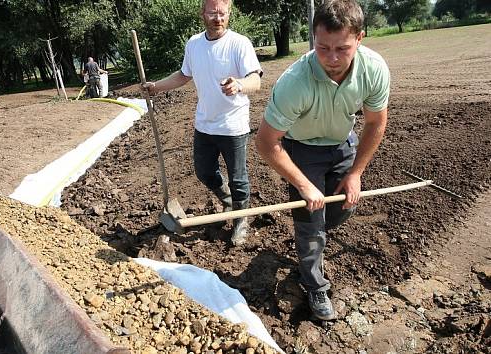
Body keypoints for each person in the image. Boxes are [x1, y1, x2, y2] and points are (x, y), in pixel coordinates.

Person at [255, 0, 390, 320]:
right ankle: (315, 285)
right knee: (311, 226)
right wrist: (303, 186)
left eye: (342, 48)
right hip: (301, 150)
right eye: (322, 47)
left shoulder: (373, 69)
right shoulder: (294, 82)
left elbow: (375, 122)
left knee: (346, 204)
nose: (331, 59)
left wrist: (356, 172)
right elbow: (265, 142)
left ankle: (311, 237)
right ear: (313, 39)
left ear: (360, 38)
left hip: (342, 143)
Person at [142, 0, 262, 246]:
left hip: (233, 126)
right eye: (212, 13)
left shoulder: (239, 43)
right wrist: (155, 87)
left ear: (229, 14)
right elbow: (184, 75)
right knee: (204, 172)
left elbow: (255, 80)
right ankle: (227, 199)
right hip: (204, 124)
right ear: (203, 14)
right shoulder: (194, 44)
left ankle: (241, 220)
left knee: (238, 178)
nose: (218, 18)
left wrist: (239, 84)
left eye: (222, 13)